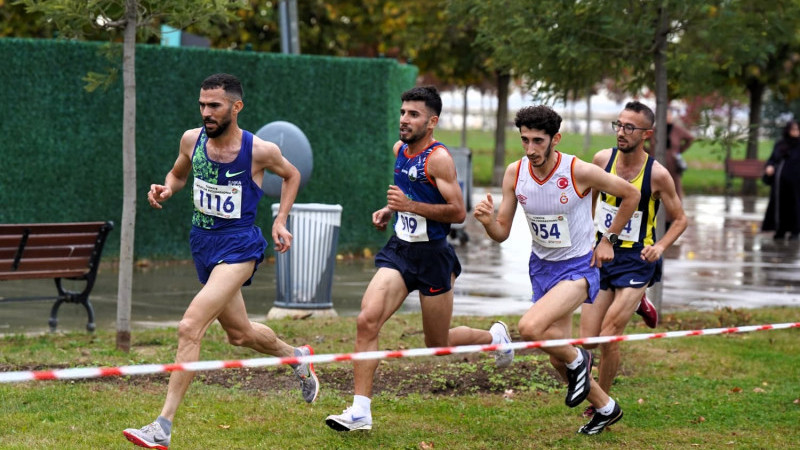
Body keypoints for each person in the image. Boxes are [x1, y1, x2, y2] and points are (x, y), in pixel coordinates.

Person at [123, 73, 318, 449]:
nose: (206, 113)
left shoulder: (259, 150)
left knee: (190, 326)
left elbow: (292, 175)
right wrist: (166, 188)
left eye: (214, 106)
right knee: (239, 334)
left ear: (236, 107)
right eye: (202, 105)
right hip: (203, 245)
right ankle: (297, 357)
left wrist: (280, 219)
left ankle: (162, 427)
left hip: (240, 247)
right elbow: (178, 175)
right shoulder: (191, 140)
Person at [324, 86, 514, 433]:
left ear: (432, 121)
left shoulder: (438, 158)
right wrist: (389, 210)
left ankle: (494, 338)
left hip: (433, 257)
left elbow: (458, 212)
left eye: (413, 114)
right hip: (400, 250)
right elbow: (408, 196)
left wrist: (409, 207)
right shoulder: (400, 150)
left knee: (436, 345)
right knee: (367, 321)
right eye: (402, 112)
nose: (404, 120)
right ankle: (360, 411)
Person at [473, 105, 640, 435]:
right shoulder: (515, 172)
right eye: (525, 140)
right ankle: (607, 408)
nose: (531, 149)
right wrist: (488, 222)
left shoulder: (578, 170)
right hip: (542, 269)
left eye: (538, 140)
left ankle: (581, 360)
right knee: (554, 357)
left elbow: (631, 194)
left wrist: (608, 239)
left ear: (555, 139)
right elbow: (502, 232)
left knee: (530, 328)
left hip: (579, 267)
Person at [578, 101, 688, 419]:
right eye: (619, 125)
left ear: (647, 135)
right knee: (589, 340)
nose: (622, 132)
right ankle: (640, 302)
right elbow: (589, 200)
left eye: (630, 128)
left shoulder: (658, 174)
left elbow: (680, 219)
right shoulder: (602, 160)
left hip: (637, 258)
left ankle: (602, 403)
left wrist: (661, 247)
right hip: (602, 254)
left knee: (610, 334)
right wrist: (591, 240)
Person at [761, 120, 800, 240]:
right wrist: (769, 166)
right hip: (780, 183)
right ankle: (780, 229)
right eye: (793, 129)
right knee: (780, 206)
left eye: (797, 129)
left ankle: (795, 231)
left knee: (795, 205)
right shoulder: (781, 144)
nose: (795, 132)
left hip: (796, 183)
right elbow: (772, 159)